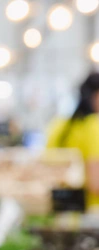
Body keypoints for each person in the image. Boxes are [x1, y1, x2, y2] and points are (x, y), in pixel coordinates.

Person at [47, 73, 99, 208]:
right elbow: (95, 183)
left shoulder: (58, 124)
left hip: (58, 207)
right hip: (91, 211)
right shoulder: (94, 126)